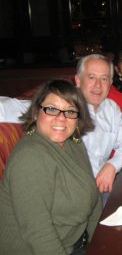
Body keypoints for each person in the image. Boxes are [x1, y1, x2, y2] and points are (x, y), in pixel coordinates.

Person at [0, 54, 122, 200]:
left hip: (102, 186)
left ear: (110, 83)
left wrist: (111, 166)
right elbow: (10, 107)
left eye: (104, 79)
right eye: (91, 77)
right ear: (78, 80)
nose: (98, 85)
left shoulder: (111, 109)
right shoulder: (62, 105)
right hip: (71, 194)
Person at [0, 80, 102, 254]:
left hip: (77, 242)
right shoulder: (30, 158)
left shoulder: (73, 143)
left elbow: (94, 199)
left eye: (70, 111)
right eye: (52, 109)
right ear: (35, 113)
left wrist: (99, 242)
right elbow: (38, 233)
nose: (61, 118)